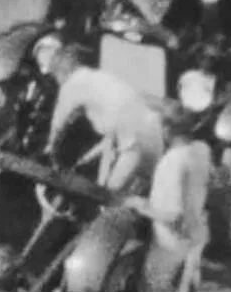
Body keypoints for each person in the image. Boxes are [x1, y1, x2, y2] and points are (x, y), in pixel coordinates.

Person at [123, 113, 215, 292]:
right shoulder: (202, 150)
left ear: (166, 130)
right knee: (186, 291)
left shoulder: (172, 163)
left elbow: (172, 214)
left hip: (170, 244)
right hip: (197, 234)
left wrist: (141, 206)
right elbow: (216, 178)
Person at [44, 47, 165, 195]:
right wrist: (83, 161)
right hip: (152, 127)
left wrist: (50, 150)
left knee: (110, 192)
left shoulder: (71, 84)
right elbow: (109, 137)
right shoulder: (101, 77)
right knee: (147, 186)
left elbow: (58, 124)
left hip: (131, 137)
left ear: (60, 73)